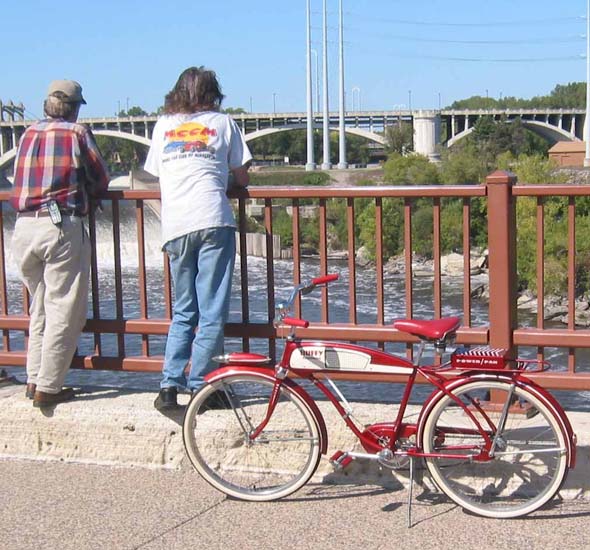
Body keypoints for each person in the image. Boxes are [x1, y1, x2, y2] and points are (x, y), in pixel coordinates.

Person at [144, 66, 251, 410]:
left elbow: (155, 176)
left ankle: (168, 385)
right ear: (213, 94)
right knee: (211, 311)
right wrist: (225, 183)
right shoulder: (222, 123)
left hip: (175, 225)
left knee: (183, 309)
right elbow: (242, 176)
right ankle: (202, 387)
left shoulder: (163, 126)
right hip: (212, 220)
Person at [10, 80, 110, 408]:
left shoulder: (27, 134)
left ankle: (33, 377)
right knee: (63, 309)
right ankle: (48, 387)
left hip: (23, 229)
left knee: (39, 305)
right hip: (59, 227)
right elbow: (101, 177)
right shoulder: (77, 134)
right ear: (74, 107)